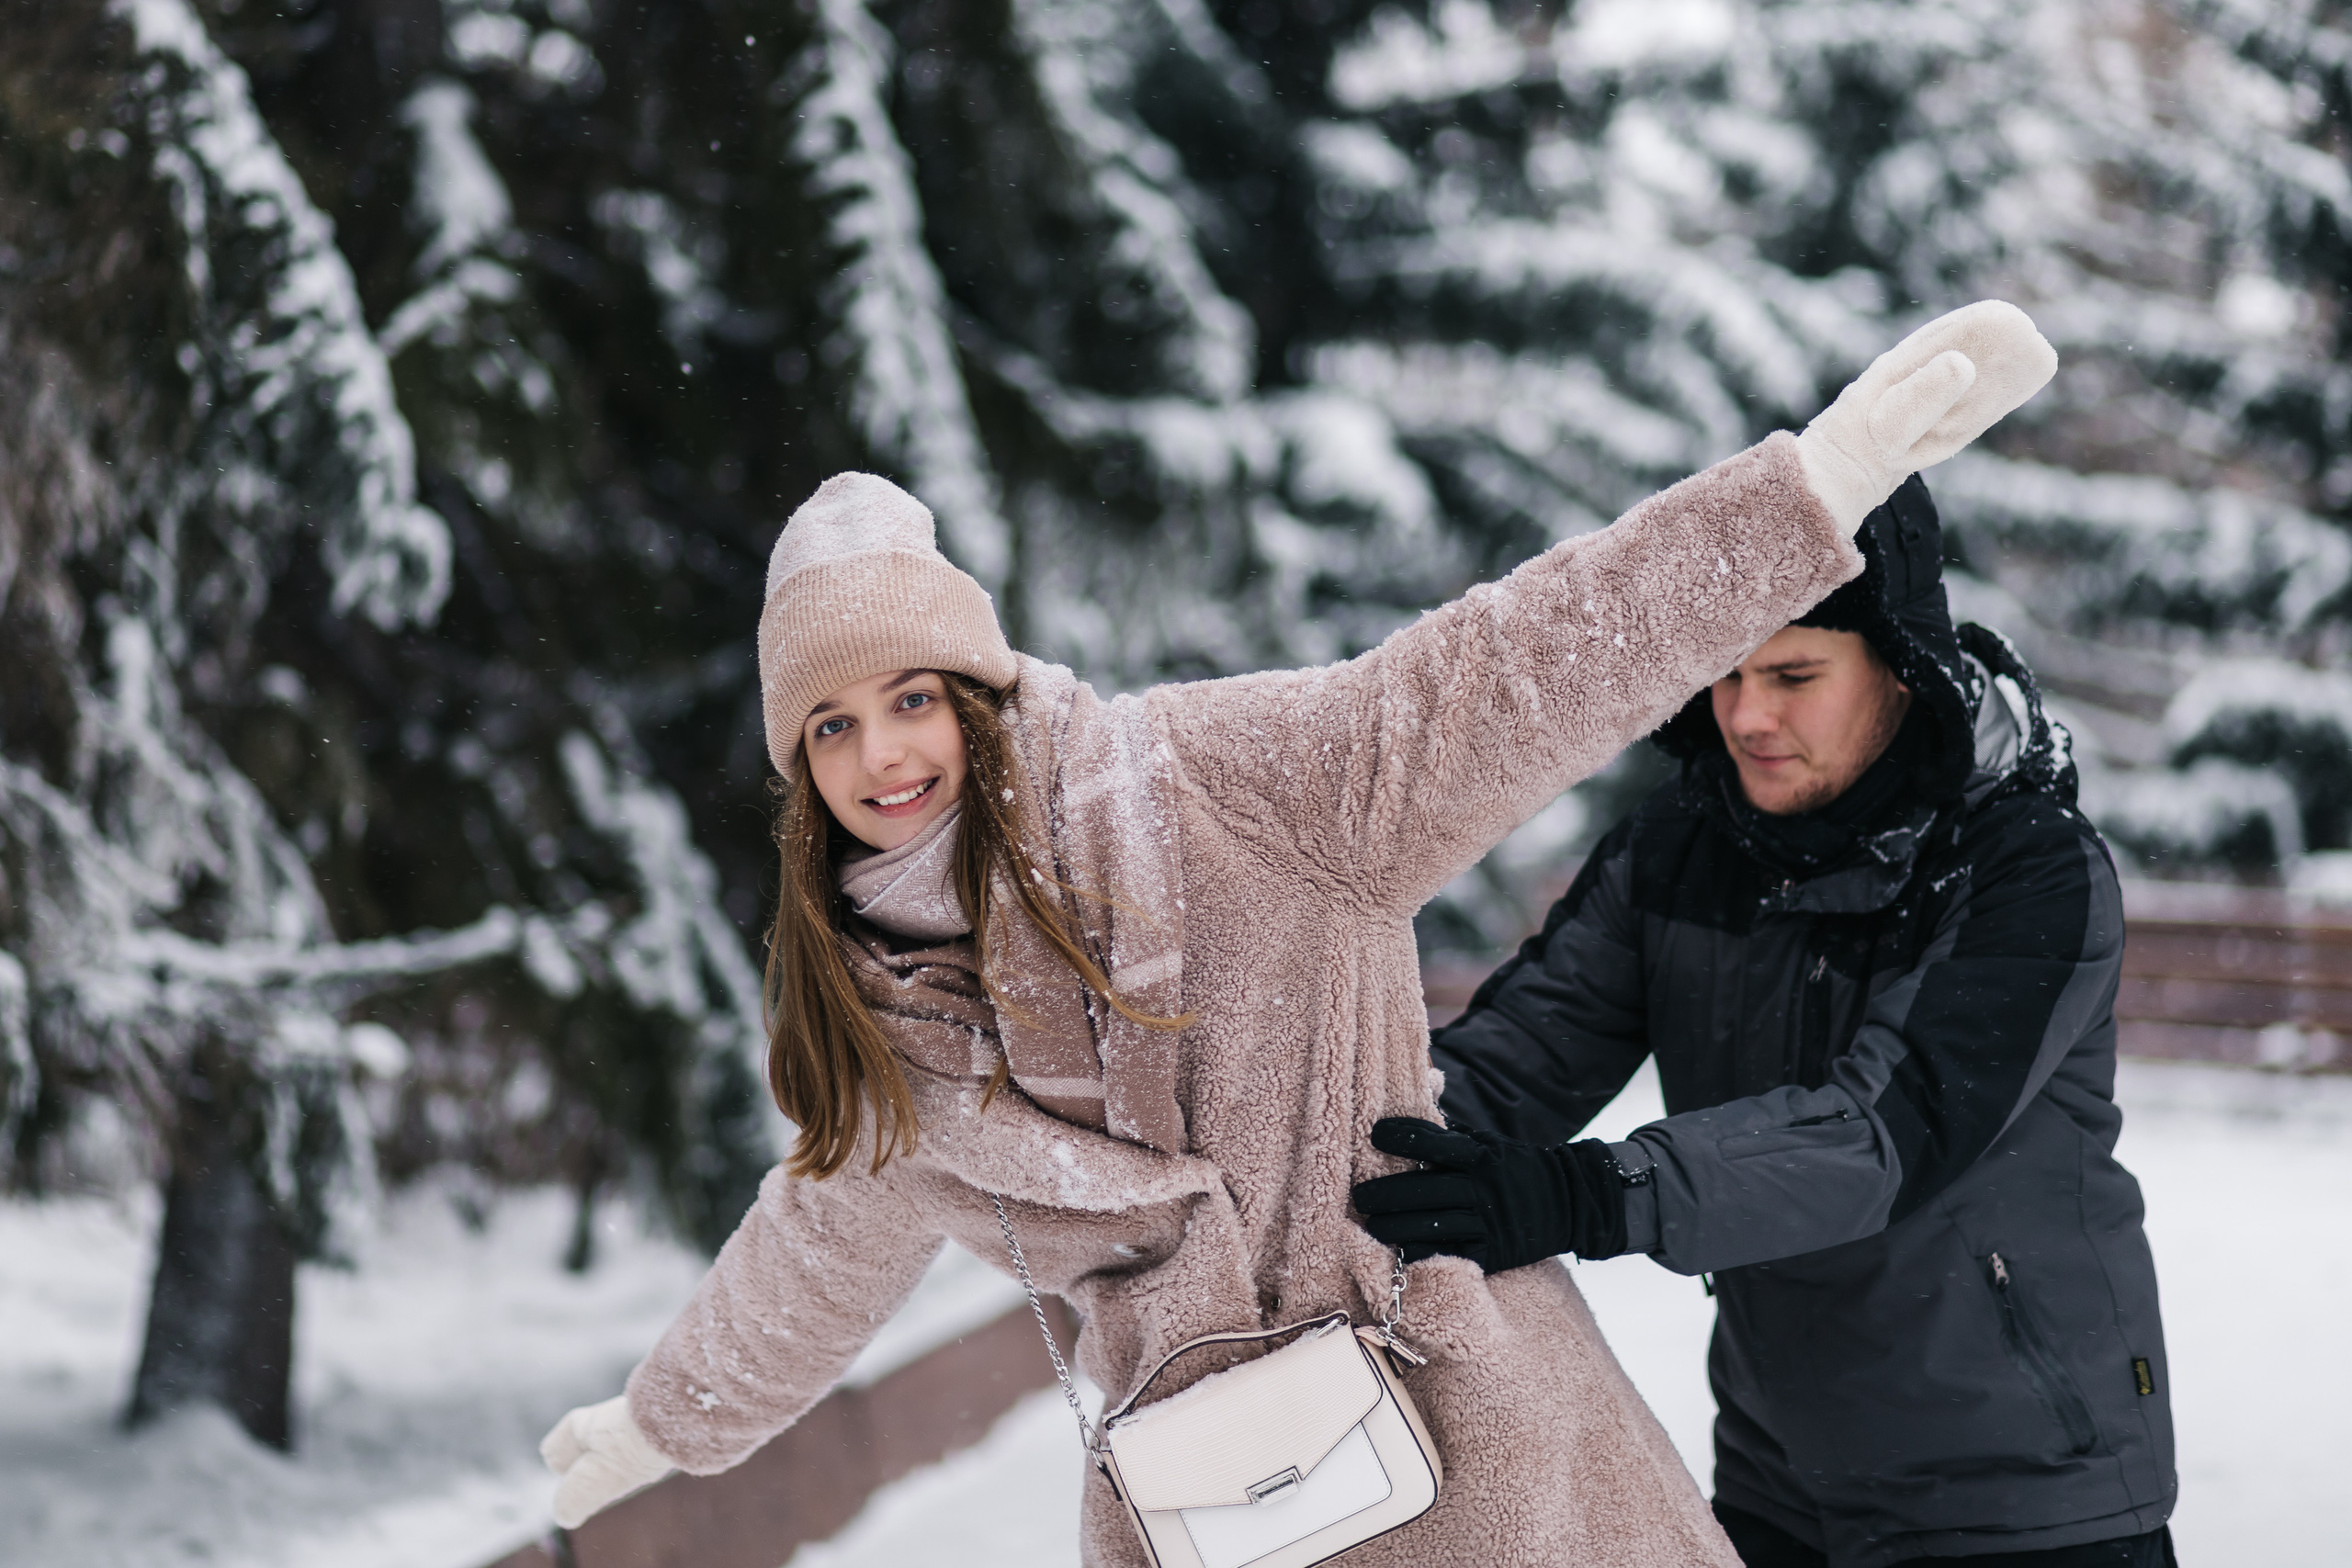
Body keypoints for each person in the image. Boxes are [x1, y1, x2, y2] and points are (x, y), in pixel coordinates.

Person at [537, 302, 2057, 1567]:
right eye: (832, 724)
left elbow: (1499, 672)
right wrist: (665, 1421)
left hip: (1470, 1459)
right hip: (1214, 1519)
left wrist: (1800, 501)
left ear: (980, 688)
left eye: (914, 696)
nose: (885, 757)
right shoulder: (890, 1024)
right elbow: (814, 1247)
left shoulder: (1221, 786)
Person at [1352, 478, 2177, 1567]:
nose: (1747, 715)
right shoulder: (1682, 845)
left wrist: (1597, 1193)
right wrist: (1336, 1146)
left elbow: (1878, 1135)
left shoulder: (2025, 866)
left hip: (2027, 1493)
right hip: (1780, 1481)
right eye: (1729, 672)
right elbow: (1520, 1055)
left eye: (1793, 674)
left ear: (1901, 670)